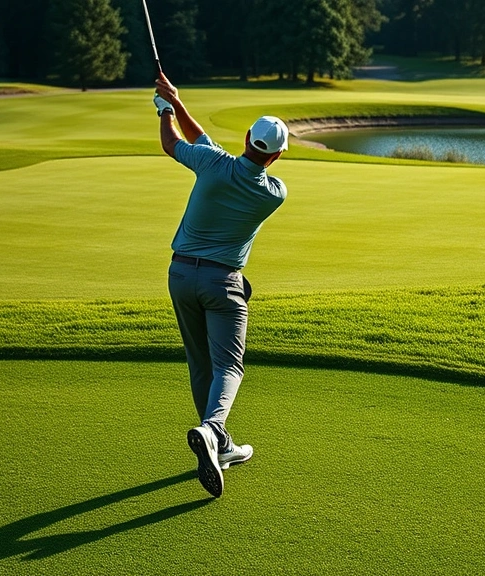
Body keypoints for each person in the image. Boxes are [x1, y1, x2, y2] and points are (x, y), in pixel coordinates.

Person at [154, 72, 288, 498]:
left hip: (180, 275)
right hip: (223, 283)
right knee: (229, 366)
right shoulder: (273, 192)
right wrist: (177, 102)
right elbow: (207, 144)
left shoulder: (213, 165)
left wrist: (165, 111)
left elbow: (174, 144)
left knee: (201, 366)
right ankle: (213, 431)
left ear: (247, 136)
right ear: (278, 157)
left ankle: (220, 444)